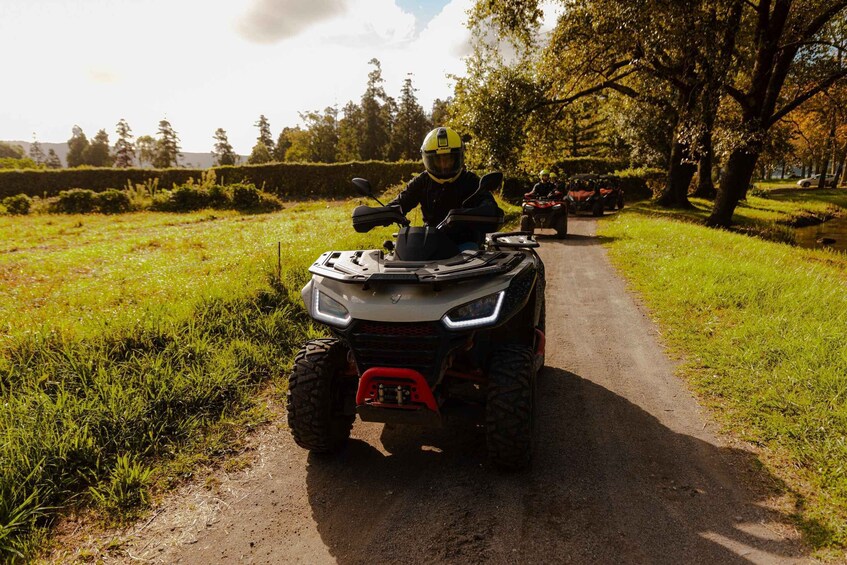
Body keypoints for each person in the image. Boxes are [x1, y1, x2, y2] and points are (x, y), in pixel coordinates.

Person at [389, 127, 502, 249]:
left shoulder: (471, 181)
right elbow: (401, 202)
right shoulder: (422, 181)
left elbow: (489, 206)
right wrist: (381, 213)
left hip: (465, 244)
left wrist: (482, 211)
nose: (444, 165)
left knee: (469, 249)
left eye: (448, 159)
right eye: (438, 160)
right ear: (428, 159)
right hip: (430, 242)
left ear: (458, 157)